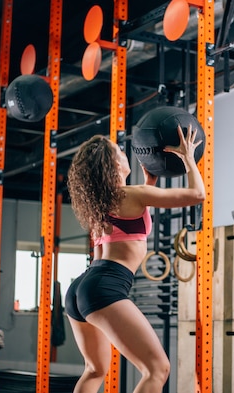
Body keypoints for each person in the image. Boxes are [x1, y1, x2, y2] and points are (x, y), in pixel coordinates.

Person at [65, 125, 205, 393]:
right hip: (105, 287)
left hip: (82, 287)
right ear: (112, 162)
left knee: (94, 370)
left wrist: (148, 184)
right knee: (157, 369)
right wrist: (188, 157)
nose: (123, 151)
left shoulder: (100, 203)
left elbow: (124, 228)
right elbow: (197, 195)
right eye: (118, 149)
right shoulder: (132, 195)